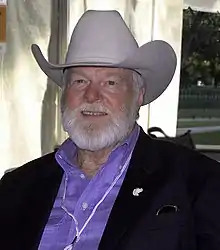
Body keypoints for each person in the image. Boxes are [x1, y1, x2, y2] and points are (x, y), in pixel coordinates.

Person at [0, 10, 220, 250]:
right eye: (80, 81)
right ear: (64, 95)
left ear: (139, 95)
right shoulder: (15, 188)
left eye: (110, 83)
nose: (92, 96)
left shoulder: (197, 182)